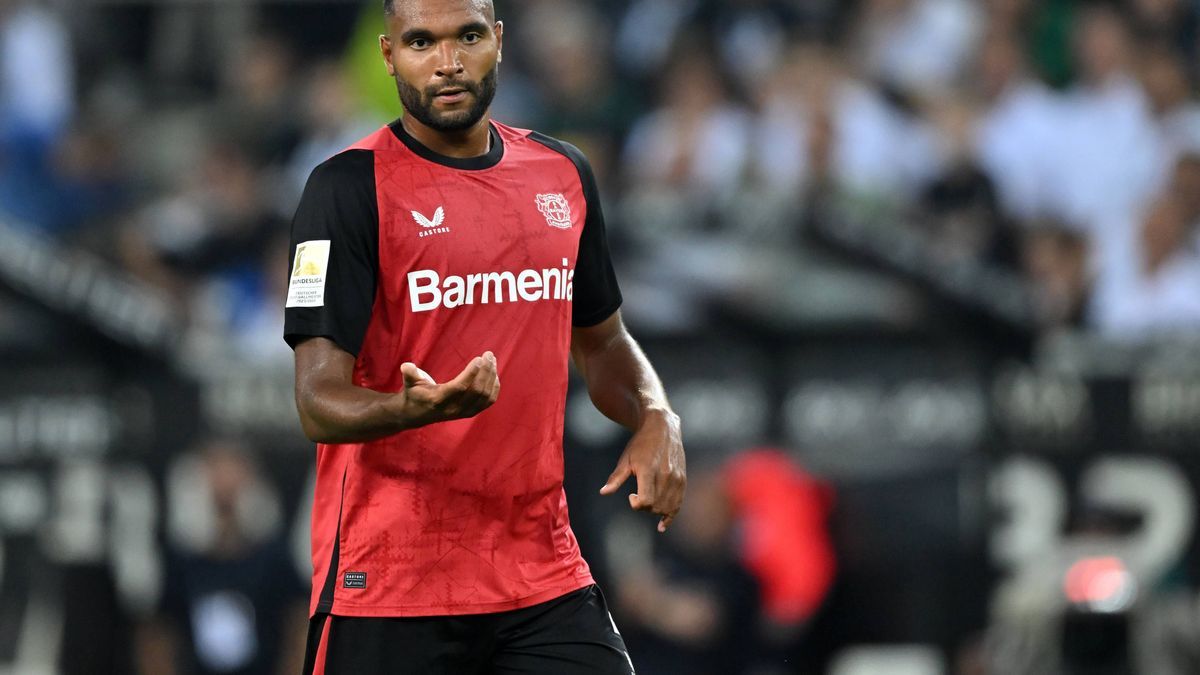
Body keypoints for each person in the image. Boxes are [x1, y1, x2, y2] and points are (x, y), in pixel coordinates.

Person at [282, 1, 686, 673]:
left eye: (467, 36)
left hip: (540, 570)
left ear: (496, 41)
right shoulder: (345, 190)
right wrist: (411, 410)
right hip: (388, 583)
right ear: (388, 55)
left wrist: (655, 411)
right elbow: (317, 399)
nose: (447, 62)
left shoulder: (563, 175)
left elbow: (604, 341)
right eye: (421, 42)